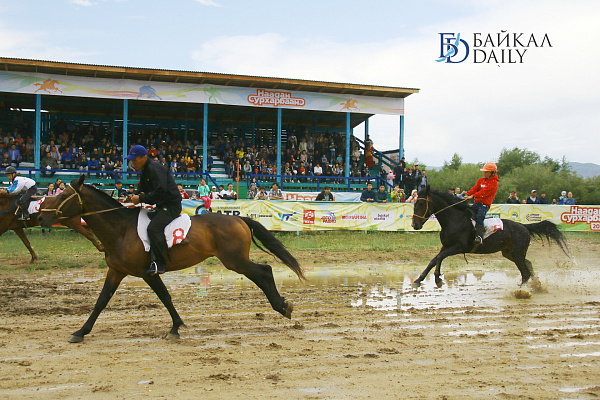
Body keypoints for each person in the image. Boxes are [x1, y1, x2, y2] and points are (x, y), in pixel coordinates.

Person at [125, 145, 182, 276]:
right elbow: (143, 188)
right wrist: (133, 196)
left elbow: (160, 191)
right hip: (161, 205)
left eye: (134, 160)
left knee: (153, 228)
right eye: (131, 160)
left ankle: (160, 263)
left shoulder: (155, 169)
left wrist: (140, 198)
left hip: (171, 206)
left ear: (144, 157)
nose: (132, 163)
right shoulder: (145, 170)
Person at [465, 162, 499, 245]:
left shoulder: (494, 183)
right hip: (477, 203)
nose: (484, 173)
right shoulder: (481, 180)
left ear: (492, 173)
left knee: (479, 217)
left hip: (484, 205)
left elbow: (484, 192)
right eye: (484, 171)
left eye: (486, 172)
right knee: (466, 213)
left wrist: (472, 196)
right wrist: (468, 194)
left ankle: (480, 236)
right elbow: (475, 188)